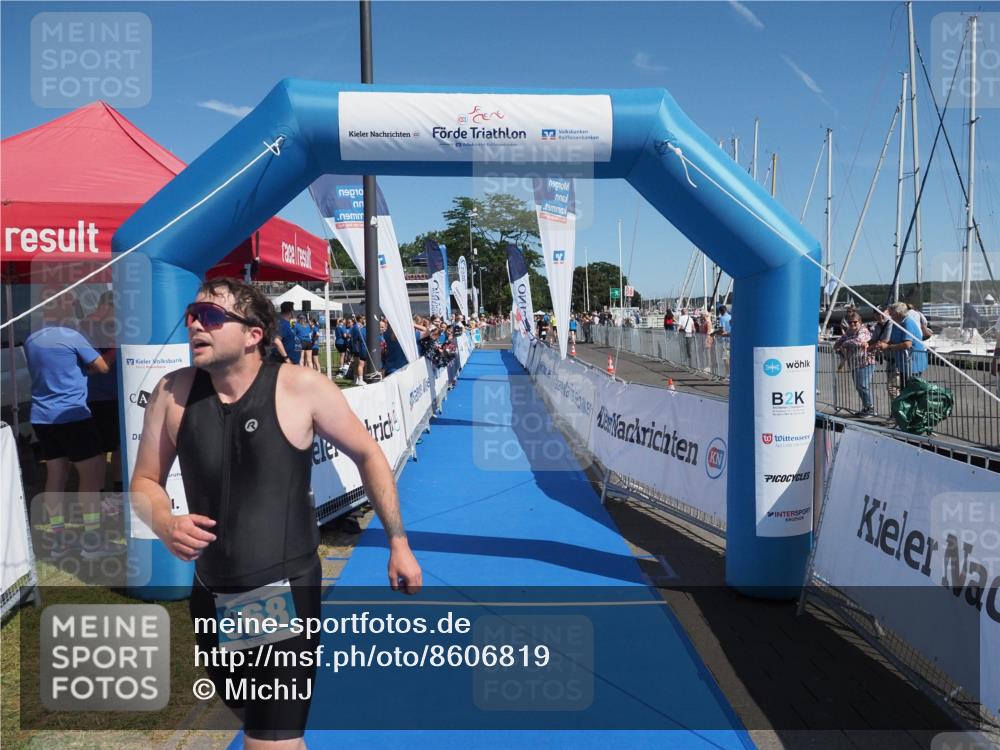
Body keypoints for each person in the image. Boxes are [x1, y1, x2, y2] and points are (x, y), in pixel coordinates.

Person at [130, 278, 421, 748]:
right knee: (256, 720)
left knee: (271, 738)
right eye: (191, 314)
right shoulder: (172, 392)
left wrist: (398, 542)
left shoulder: (300, 387)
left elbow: (369, 454)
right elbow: (144, 482)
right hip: (210, 594)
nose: (194, 325)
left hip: (280, 589)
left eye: (211, 317)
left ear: (253, 334)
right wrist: (164, 523)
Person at [23, 290, 119, 559]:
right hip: (72, 417)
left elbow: (59, 368)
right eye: (71, 305)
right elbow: (101, 367)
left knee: (56, 476)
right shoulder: (71, 336)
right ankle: (91, 541)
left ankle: (57, 542)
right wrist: (113, 348)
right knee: (92, 477)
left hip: (42, 417)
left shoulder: (31, 339)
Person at [873, 301, 928, 394]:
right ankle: (904, 407)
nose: (890, 316)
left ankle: (912, 407)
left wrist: (888, 346)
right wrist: (882, 345)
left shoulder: (908, 323)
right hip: (903, 363)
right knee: (903, 389)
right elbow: (893, 340)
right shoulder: (896, 323)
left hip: (912, 363)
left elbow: (907, 344)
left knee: (911, 391)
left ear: (898, 314)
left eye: (891, 314)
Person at [834, 310, 877, 417]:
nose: (852, 324)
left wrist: (845, 343)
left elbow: (859, 340)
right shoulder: (849, 332)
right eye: (850, 322)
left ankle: (871, 408)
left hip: (866, 362)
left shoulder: (863, 330)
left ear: (860, 322)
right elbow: (837, 344)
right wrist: (842, 344)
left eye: (855, 322)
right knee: (859, 386)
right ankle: (866, 407)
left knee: (863, 385)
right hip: (853, 363)